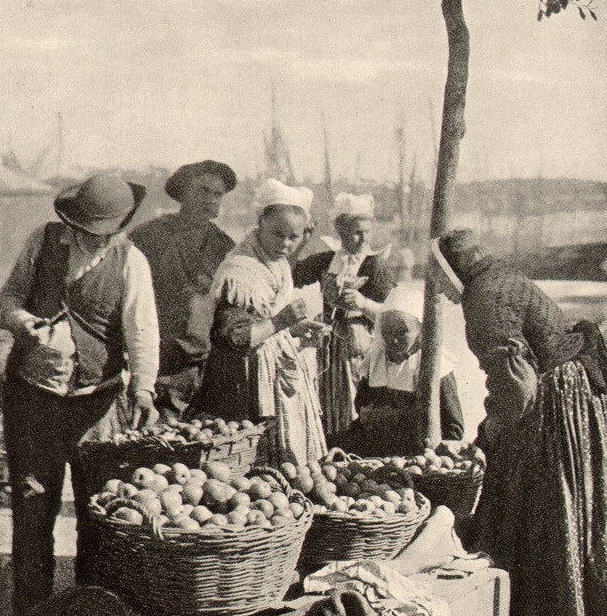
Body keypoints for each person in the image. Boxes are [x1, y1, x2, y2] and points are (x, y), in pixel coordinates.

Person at [430, 228, 607, 616]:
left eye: (440, 281)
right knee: (566, 515)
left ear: (453, 270)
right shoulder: (501, 275)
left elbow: (516, 383)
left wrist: (487, 437)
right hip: (575, 397)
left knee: (544, 523)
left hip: (551, 405)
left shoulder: (483, 298)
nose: (441, 292)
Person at [0, 173, 159, 616]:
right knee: (32, 509)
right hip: (33, 397)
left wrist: (143, 389)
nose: (86, 238)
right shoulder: (43, 241)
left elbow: (142, 332)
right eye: (81, 228)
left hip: (97, 403)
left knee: (100, 513)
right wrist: (17, 319)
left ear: (118, 227)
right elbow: (9, 295)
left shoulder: (132, 262)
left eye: (97, 232)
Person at [192, 179, 326, 467]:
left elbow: (263, 321)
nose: (285, 244)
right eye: (278, 234)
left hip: (266, 373)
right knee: (247, 459)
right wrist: (282, 321)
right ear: (260, 224)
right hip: (240, 382)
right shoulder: (242, 271)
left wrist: (294, 328)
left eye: (294, 236)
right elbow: (233, 338)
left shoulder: (274, 264)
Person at [131, 160, 236, 414]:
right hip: (152, 354)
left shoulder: (225, 247)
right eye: (202, 190)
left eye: (217, 194)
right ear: (183, 193)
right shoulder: (148, 236)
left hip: (198, 360)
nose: (210, 199)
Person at [294, 193, 394, 438]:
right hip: (329, 348)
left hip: (361, 346)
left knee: (359, 402)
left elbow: (395, 314)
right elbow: (291, 275)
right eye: (356, 232)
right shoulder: (326, 261)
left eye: (367, 232)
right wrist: (301, 240)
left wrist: (364, 303)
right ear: (340, 230)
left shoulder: (375, 266)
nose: (363, 239)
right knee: (329, 403)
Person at [347, 287, 465, 457]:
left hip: (417, 456)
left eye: (402, 332)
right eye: (387, 330)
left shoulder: (435, 367)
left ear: (420, 330)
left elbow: (454, 429)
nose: (393, 339)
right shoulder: (376, 361)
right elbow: (361, 408)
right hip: (376, 454)